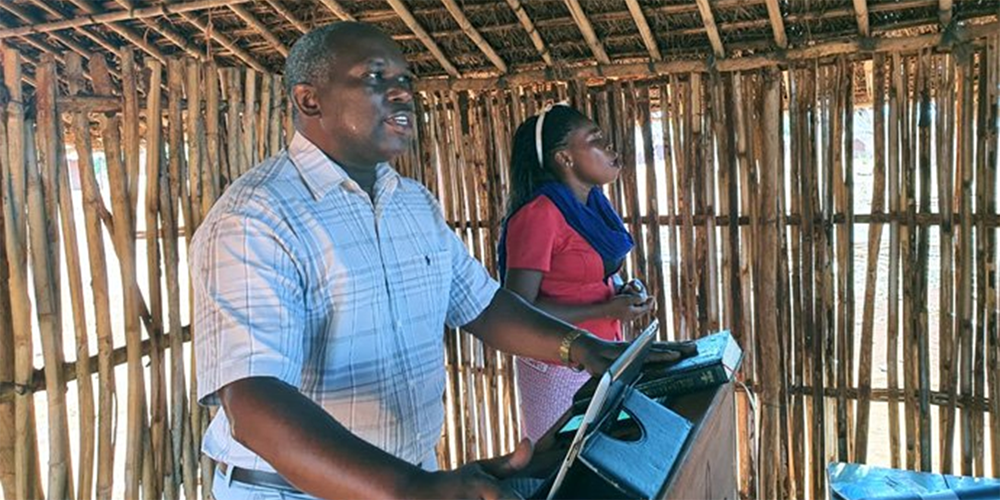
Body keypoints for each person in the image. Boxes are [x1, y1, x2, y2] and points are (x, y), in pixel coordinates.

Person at [190, 22, 694, 500]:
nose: (402, 92)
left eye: (405, 79)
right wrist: (413, 491)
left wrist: (582, 349)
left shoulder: (413, 204)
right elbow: (253, 403)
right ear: (309, 99)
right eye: (375, 77)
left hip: (405, 475)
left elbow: (483, 305)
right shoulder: (256, 217)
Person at [499, 104, 655, 441]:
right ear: (565, 158)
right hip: (557, 364)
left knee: (602, 455)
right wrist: (605, 309)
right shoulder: (540, 214)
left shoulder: (592, 205)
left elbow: (590, 277)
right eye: (595, 139)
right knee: (563, 464)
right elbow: (516, 311)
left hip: (603, 351)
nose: (610, 147)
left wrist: (623, 292)